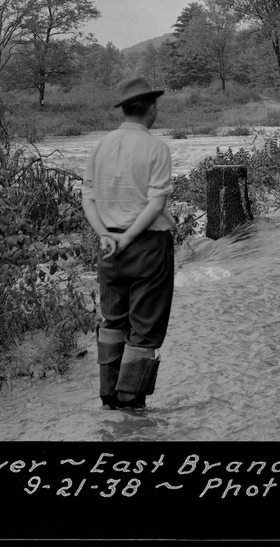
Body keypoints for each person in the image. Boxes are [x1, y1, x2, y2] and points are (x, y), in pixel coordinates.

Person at [81, 76, 176, 410]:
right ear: (150, 108)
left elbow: (87, 197)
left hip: (109, 248)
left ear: (124, 110)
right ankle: (131, 407)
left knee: (114, 321)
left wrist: (106, 236)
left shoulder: (100, 146)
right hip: (148, 247)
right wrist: (129, 237)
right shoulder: (155, 147)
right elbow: (155, 204)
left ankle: (109, 401)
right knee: (144, 330)